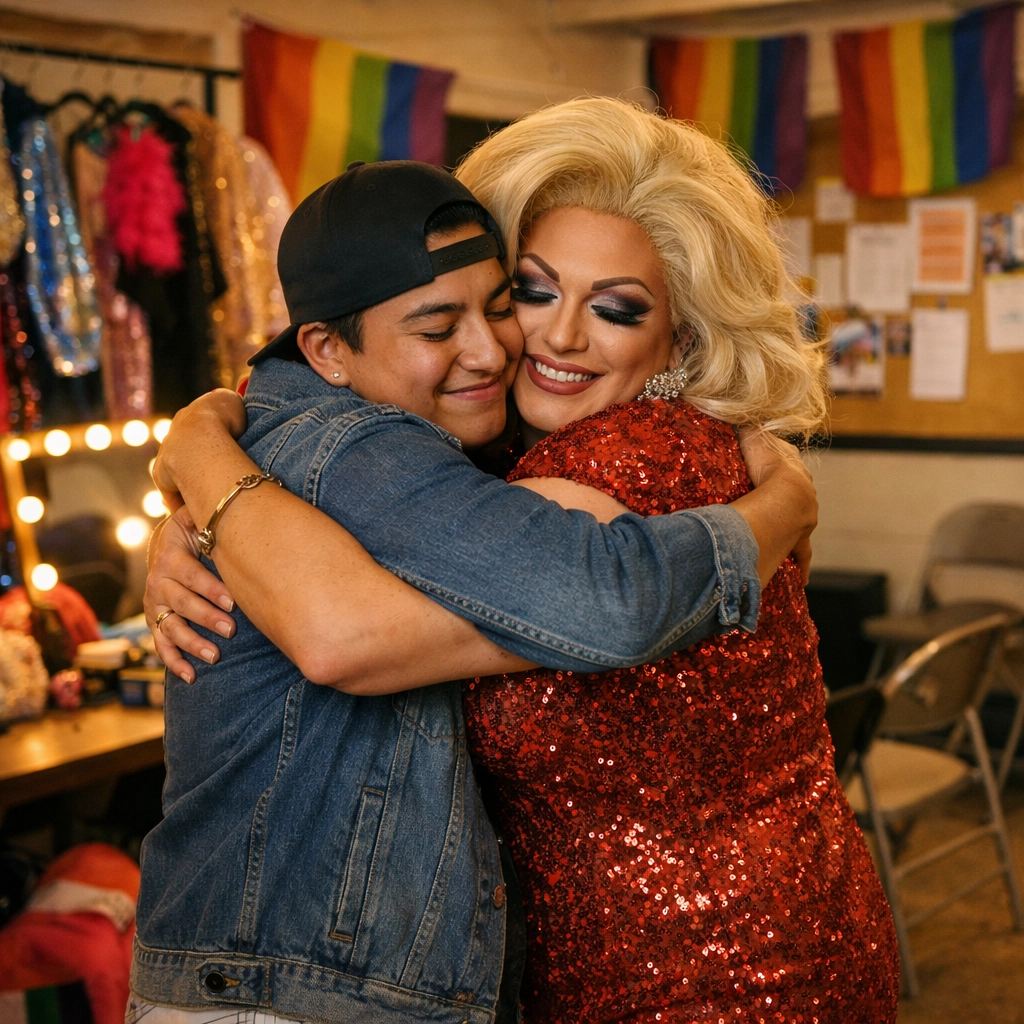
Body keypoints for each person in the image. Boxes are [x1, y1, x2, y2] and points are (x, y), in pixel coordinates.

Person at [132, 158, 817, 1024]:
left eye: (498, 304)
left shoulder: (442, 447)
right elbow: (598, 601)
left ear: (680, 337)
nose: (499, 348)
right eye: (441, 325)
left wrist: (201, 448)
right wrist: (785, 506)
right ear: (327, 352)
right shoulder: (358, 445)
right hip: (279, 993)